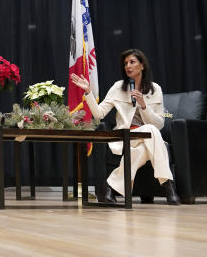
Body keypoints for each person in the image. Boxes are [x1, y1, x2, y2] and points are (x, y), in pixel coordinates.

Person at [70, 48, 179, 205]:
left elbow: (159, 124)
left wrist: (143, 105)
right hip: (124, 137)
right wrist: (88, 92)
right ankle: (168, 186)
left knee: (149, 132)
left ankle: (110, 188)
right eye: (125, 63)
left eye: (132, 62)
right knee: (151, 131)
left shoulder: (155, 89)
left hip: (148, 138)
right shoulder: (118, 87)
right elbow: (99, 114)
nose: (128, 66)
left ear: (142, 66)